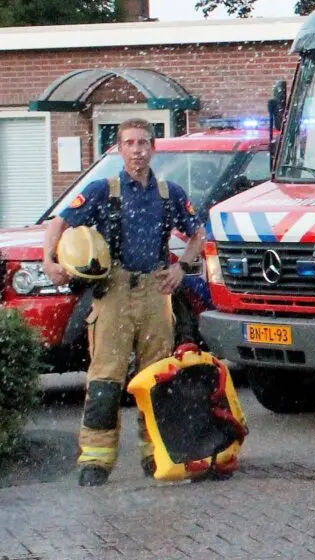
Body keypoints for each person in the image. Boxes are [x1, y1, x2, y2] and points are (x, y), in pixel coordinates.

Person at [42, 118, 206, 487]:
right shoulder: (102, 191)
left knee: (158, 378)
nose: (137, 150)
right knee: (105, 378)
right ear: (119, 149)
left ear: (153, 148)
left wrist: (181, 267)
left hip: (155, 293)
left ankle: (156, 453)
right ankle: (96, 460)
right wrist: (49, 261)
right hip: (114, 292)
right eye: (129, 143)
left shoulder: (170, 193)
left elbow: (198, 233)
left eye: (143, 142)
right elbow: (58, 224)